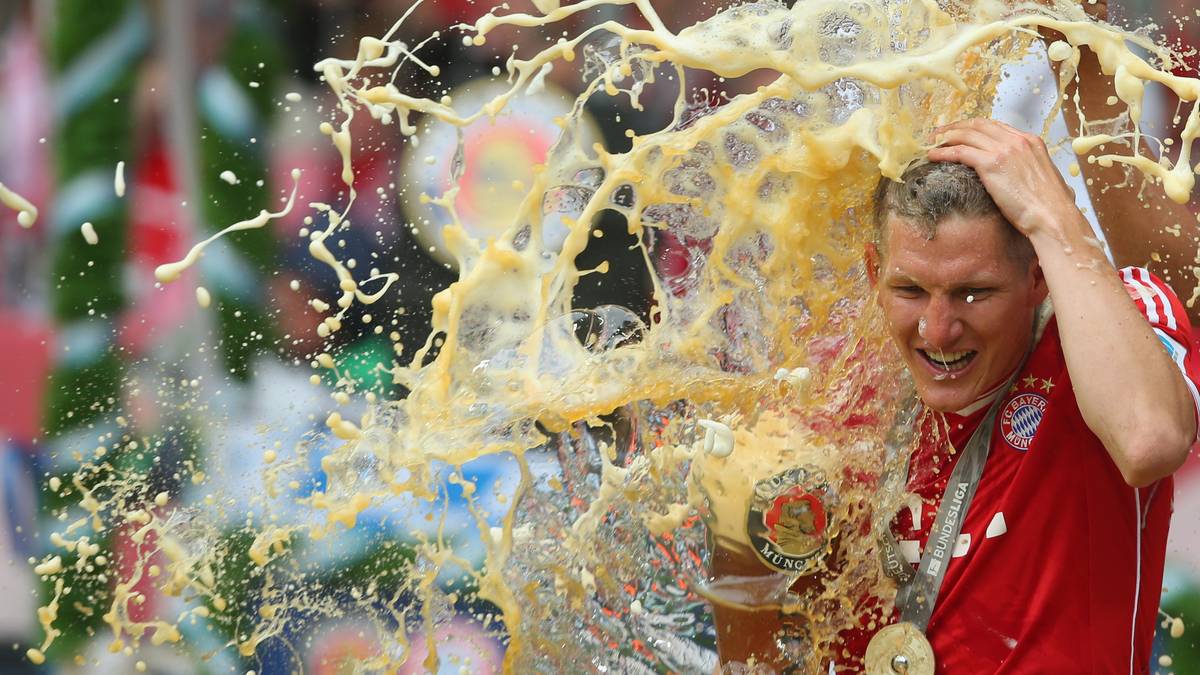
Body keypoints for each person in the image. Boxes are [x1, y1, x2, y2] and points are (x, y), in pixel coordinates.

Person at [857, 119, 1199, 671]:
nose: (937, 330)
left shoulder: (1105, 328)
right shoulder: (842, 384)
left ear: (1039, 276)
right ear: (875, 274)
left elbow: (1149, 441)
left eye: (975, 292)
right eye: (910, 290)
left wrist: (1052, 213)